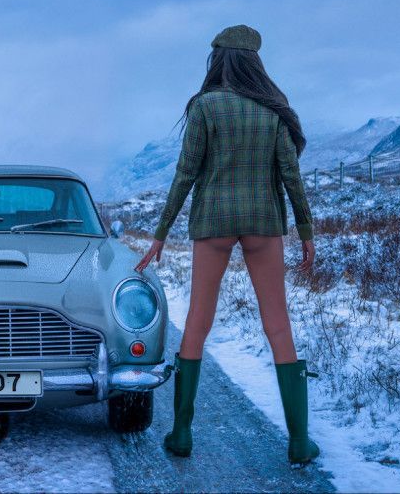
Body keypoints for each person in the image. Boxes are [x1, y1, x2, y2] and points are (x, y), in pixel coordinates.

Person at [135, 24, 320, 464]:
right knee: (277, 323)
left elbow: (186, 175)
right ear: (255, 62)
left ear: (218, 60)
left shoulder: (203, 108)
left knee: (198, 321)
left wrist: (160, 234)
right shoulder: (273, 110)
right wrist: (307, 231)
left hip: (213, 222)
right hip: (263, 222)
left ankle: (182, 433)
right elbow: (291, 177)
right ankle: (298, 441)